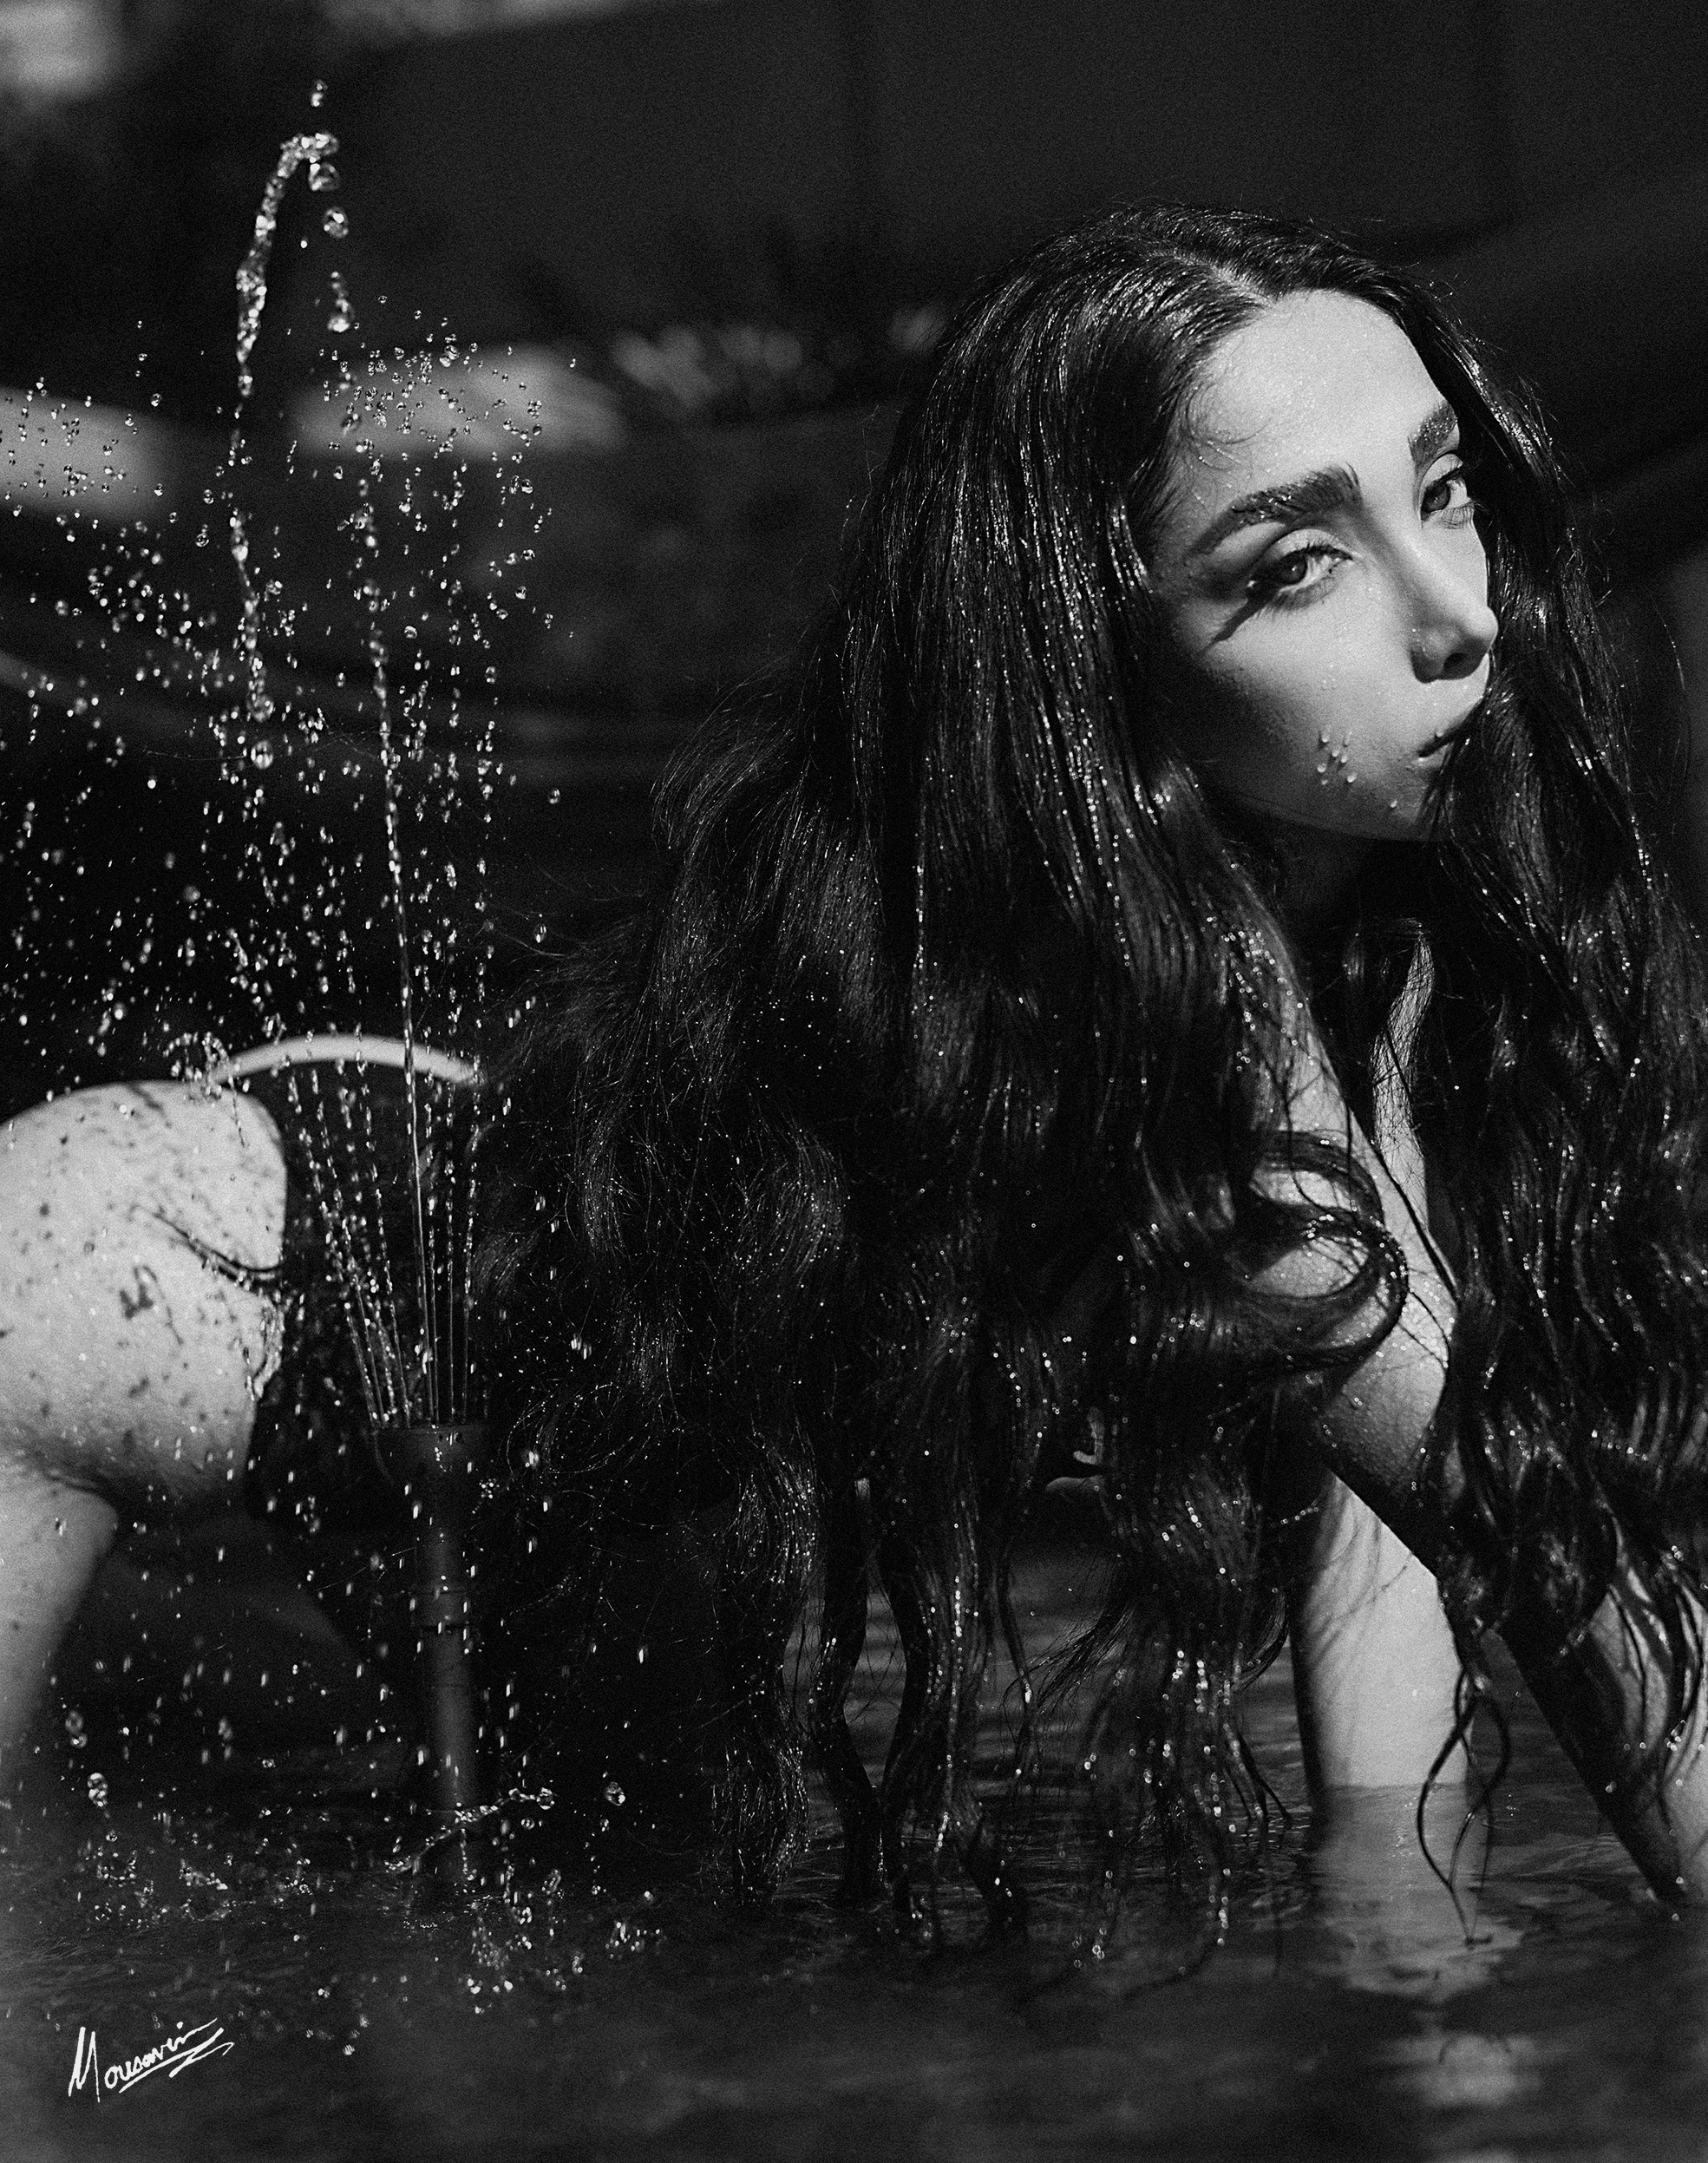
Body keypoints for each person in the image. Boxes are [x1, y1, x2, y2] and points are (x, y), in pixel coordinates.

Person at [3, 204, 1706, 1924]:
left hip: (551, 1442)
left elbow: (1393, 1503)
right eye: (1294, 565)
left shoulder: (1356, 936)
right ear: (1100, 660)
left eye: (1441, 488)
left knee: (628, 1961)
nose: (1457, 614)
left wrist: (1424, 1979)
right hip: (136, 1278)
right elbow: (1545, 1557)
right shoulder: (1122, 999)